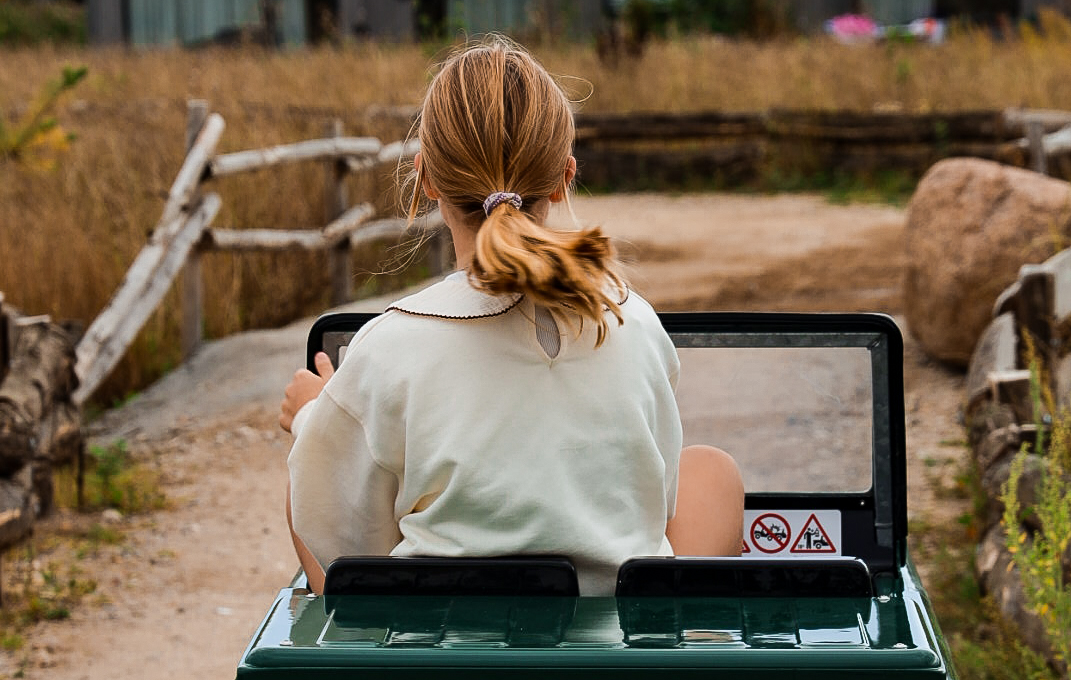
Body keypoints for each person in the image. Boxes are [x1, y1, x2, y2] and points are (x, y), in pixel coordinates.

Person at [280, 39, 743, 594]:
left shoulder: (389, 347)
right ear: (564, 177)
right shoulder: (632, 322)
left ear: (426, 178)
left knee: (308, 472)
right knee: (712, 474)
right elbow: (655, 495)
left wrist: (314, 419)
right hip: (611, 660)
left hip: (444, 662)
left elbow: (345, 538)